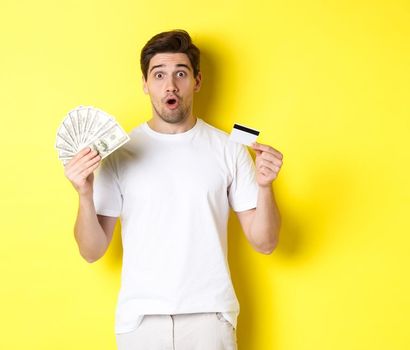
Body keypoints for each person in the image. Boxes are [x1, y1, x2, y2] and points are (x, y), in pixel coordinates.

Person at [63, 29, 284, 349]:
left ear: (197, 81)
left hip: (210, 316)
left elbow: (265, 243)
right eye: (159, 74)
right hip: (141, 320)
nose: (170, 85)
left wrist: (265, 187)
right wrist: (84, 193)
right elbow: (91, 251)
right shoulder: (119, 153)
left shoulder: (228, 149)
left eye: (181, 73)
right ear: (145, 83)